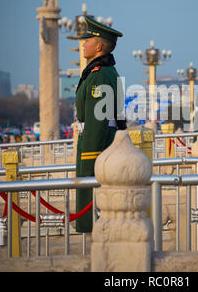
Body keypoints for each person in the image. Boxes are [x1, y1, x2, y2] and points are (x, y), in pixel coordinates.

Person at [75, 16, 126, 233]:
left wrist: (90, 156)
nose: (83, 44)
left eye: (87, 40)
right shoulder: (104, 71)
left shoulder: (99, 76)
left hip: (96, 145)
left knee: (91, 198)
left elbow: (98, 120)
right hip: (104, 141)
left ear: (98, 46)